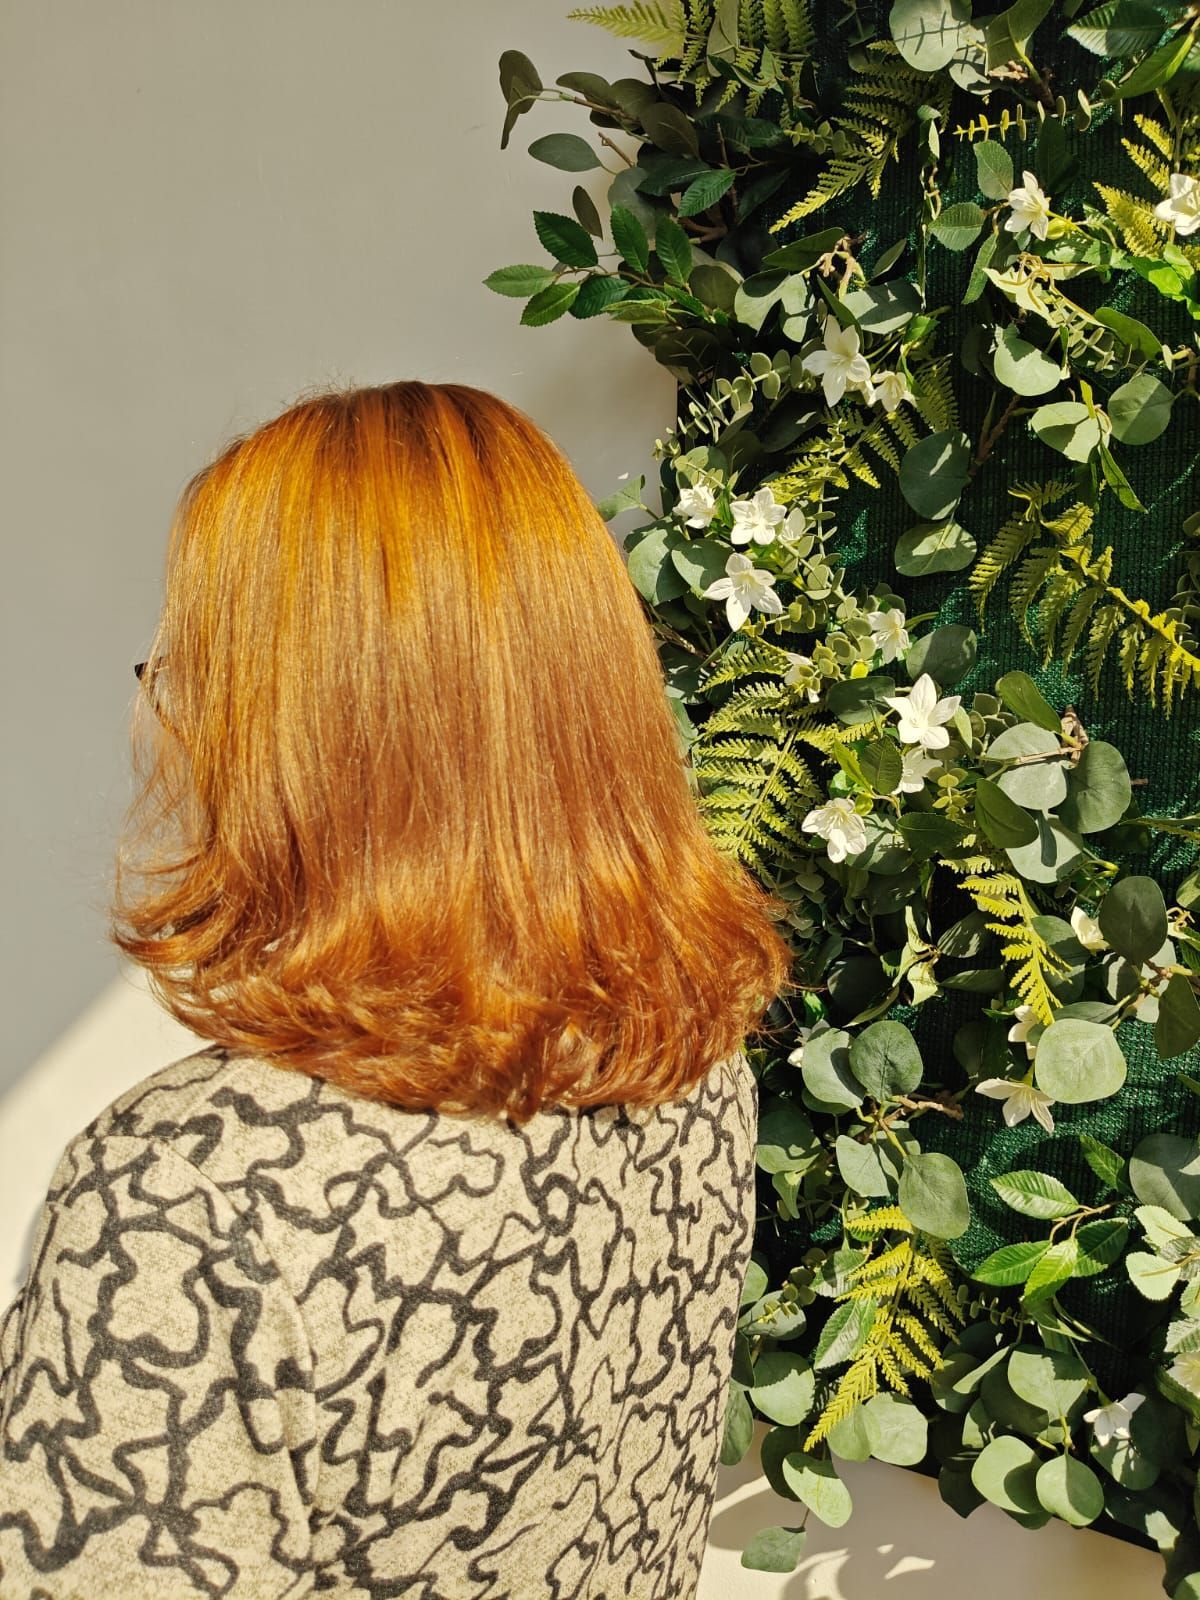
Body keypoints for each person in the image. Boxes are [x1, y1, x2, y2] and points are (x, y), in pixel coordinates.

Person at [0, 380, 796, 1598]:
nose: (164, 720)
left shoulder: (189, 1202)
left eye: (188, 669)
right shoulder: (684, 1066)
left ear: (295, 737)